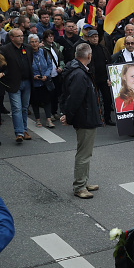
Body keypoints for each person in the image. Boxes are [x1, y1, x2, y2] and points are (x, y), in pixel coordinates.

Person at [60, 43, 103, 199]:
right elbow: (75, 98)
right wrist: (69, 116)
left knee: (85, 152)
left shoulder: (76, 70)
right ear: (89, 56)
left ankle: (83, 182)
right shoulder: (79, 74)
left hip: (85, 116)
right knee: (84, 154)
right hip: (85, 118)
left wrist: (67, 114)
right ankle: (79, 186)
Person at [0, 28, 33, 142]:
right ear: (12, 38)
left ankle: (24, 130)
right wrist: (3, 73)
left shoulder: (27, 48)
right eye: (18, 36)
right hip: (13, 83)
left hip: (27, 82)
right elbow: (4, 65)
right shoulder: (5, 49)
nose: (21, 37)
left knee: (24, 108)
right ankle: (19, 132)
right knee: (17, 108)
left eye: (22, 35)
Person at [29, 35, 54, 128]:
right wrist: (32, 76)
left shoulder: (43, 52)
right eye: (32, 42)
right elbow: (25, 68)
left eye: (36, 41)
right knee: (35, 101)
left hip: (44, 81)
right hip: (34, 83)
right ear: (29, 43)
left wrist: (46, 75)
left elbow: (49, 65)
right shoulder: (28, 54)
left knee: (47, 100)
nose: (34, 44)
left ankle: (48, 119)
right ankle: (37, 119)